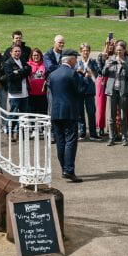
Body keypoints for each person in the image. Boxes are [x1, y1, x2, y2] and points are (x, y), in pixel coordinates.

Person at [48, 53, 86, 182]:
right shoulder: (72, 73)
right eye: (75, 59)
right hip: (69, 111)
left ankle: (64, 168)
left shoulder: (53, 74)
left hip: (56, 111)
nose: (76, 62)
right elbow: (80, 90)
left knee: (60, 141)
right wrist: (83, 76)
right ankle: (68, 170)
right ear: (70, 60)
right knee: (70, 140)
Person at [101, 40, 128, 146]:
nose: (118, 52)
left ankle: (124, 137)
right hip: (111, 90)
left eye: (120, 50)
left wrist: (123, 64)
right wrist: (107, 66)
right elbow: (103, 73)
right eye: (117, 50)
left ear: (124, 50)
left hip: (123, 91)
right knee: (111, 116)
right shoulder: (110, 59)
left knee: (123, 116)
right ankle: (111, 137)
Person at [3, 45, 30, 137]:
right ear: (11, 52)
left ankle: (19, 131)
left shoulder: (22, 60)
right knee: (14, 113)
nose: (17, 53)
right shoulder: (8, 63)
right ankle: (9, 129)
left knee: (23, 113)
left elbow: (28, 70)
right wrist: (22, 71)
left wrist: (18, 72)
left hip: (24, 92)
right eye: (15, 51)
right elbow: (10, 77)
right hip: (15, 93)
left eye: (19, 51)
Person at [77, 43, 101, 140]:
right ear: (80, 52)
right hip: (79, 91)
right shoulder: (77, 63)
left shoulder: (93, 62)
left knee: (91, 112)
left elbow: (99, 74)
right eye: (84, 51)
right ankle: (82, 133)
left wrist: (92, 74)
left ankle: (93, 133)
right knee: (80, 113)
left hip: (90, 91)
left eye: (87, 50)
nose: (86, 52)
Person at [26, 48, 48, 117]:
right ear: (31, 56)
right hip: (31, 93)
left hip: (42, 93)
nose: (36, 57)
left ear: (40, 56)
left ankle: (42, 128)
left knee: (42, 113)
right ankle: (32, 128)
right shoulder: (27, 65)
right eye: (34, 55)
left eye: (37, 55)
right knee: (32, 113)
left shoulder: (44, 65)